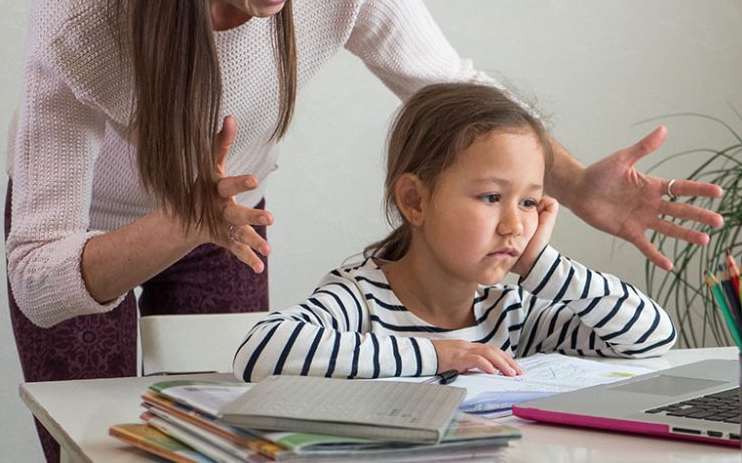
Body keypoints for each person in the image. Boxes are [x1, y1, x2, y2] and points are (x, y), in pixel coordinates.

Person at [5, 0, 720, 459]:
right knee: (94, 438)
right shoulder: (85, 11)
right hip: (93, 236)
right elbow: (39, 277)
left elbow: (454, 90)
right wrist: (182, 221)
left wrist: (571, 181)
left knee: (235, 438)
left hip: (227, 214)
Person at [233, 83, 677, 381]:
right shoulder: (361, 299)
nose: (515, 224)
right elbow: (261, 352)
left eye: (528, 202)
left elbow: (651, 336)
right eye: (490, 197)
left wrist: (545, 268)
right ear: (415, 200)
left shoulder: (514, 313)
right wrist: (440, 354)